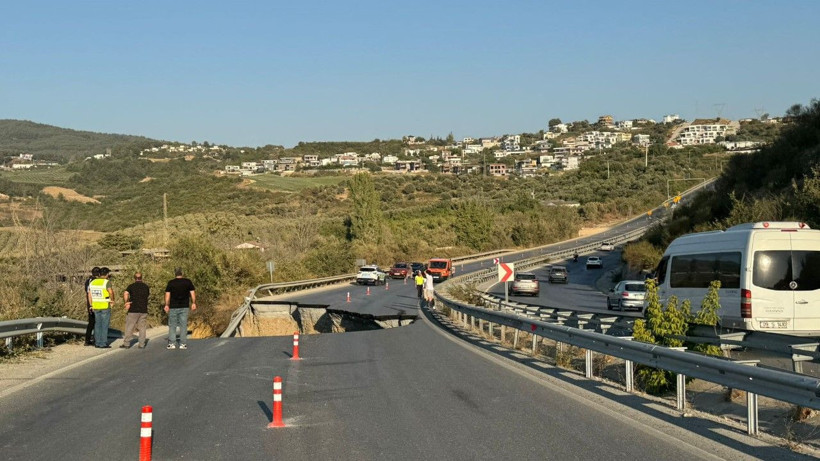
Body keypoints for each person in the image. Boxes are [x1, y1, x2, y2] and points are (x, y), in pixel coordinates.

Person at [164, 267, 196, 350]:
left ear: (175, 274)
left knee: (172, 325)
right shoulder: (188, 282)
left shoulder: (171, 283)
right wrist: (193, 303)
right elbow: (192, 293)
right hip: (184, 306)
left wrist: (166, 305)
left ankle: (172, 343)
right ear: (182, 273)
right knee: (183, 325)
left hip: (173, 306)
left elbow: (167, 295)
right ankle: (183, 344)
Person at [87, 267, 115, 348]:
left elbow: (89, 295)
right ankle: (103, 343)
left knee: (97, 325)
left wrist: (91, 305)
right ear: (107, 274)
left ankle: (97, 342)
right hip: (105, 305)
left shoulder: (92, 282)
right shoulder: (106, 282)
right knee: (104, 325)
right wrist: (112, 300)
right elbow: (110, 292)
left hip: (95, 306)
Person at [122, 272, 150, 349]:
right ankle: (141, 344)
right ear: (142, 278)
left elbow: (125, 293)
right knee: (142, 328)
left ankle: (127, 343)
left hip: (133, 309)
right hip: (143, 309)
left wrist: (127, 302)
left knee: (129, 327)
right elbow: (147, 295)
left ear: (134, 278)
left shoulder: (131, 286)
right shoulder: (146, 286)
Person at [84, 266, 101, 346]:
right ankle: (96, 339)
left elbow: (87, 291)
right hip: (96, 302)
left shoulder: (88, 281)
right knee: (97, 322)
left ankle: (87, 340)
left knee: (91, 322)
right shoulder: (97, 281)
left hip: (89, 303)